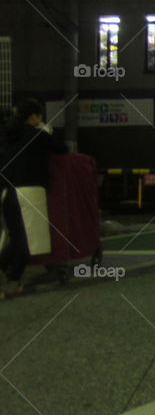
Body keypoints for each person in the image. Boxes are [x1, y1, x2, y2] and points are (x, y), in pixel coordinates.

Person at [0, 99, 68, 297]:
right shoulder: (38, 135)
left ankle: (5, 266)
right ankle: (14, 281)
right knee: (27, 240)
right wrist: (46, 131)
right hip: (29, 192)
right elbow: (62, 149)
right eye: (40, 116)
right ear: (33, 117)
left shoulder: (8, 137)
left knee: (15, 237)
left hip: (6, 193)